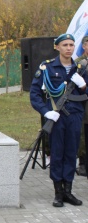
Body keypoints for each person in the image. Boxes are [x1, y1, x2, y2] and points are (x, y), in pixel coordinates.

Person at [30, 33, 88, 208]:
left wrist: (84, 85)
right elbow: (35, 94)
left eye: (71, 45)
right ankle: (58, 193)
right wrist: (46, 112)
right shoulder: (47, 67)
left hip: (75, 116)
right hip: (56, 117)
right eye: (65, 45)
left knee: (71, 152)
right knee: (57, 153)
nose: (69, 48)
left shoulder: (82, 68)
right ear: (57, 47)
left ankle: (68, 191)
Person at [75, 35, 88, 177]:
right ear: (84, 46)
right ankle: (83, 163)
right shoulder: (79, 63)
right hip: (83, 103)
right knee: (83, 134)